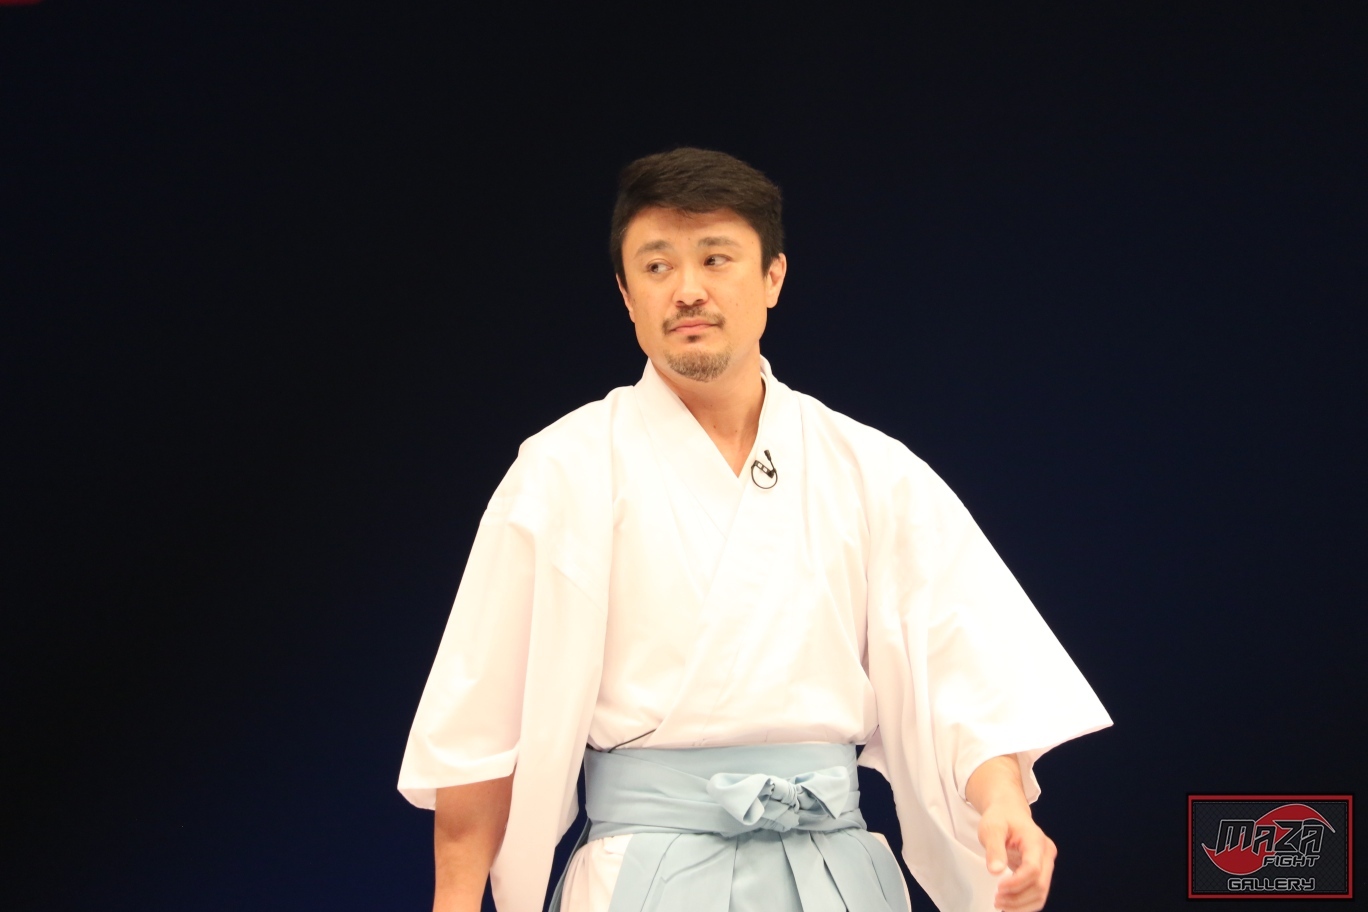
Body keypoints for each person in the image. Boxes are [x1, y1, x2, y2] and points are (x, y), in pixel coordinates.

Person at [398, 148, 1112, 912]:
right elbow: (481, 722)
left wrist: (1004, 802)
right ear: (627, 294)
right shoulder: (563, 469)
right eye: (658, 266)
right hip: (644, 872)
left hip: (833, 873)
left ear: (773, 276)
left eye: (716, 258)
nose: (688, 290)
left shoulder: (869, 468)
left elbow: (960, 669)